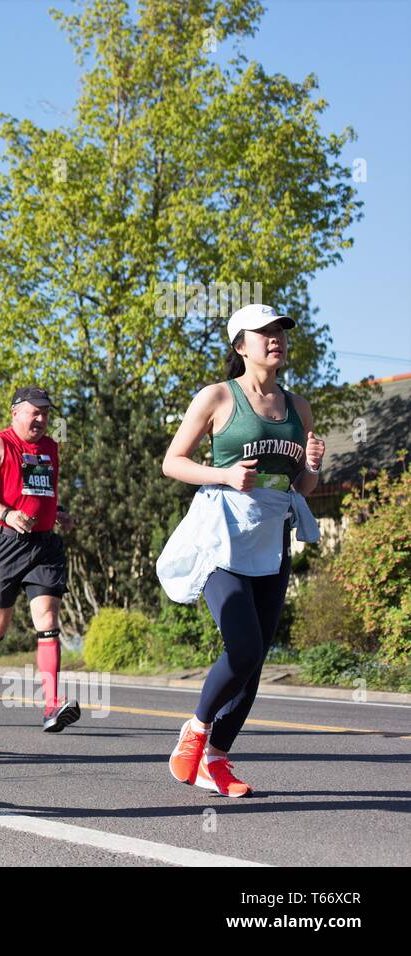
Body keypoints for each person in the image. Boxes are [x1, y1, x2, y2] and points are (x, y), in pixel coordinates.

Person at [158, 304, 324, 798]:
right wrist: (226, 475)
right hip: (221, 535)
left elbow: (305, 487)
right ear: (239, 345)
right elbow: (173, 462)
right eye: (264, 332)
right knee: (244, 647)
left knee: (255, 660)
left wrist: (314, 466)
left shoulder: (300, 407)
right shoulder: (217, 397)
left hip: (271, 539)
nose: (276, 339)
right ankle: (195, 729)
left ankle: (216, 758)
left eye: (280, 332)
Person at [0, 386, 80, 733]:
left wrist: (58, 512)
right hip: (4, 544)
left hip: (43, 547)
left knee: (47, 618)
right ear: (15, 412)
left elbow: (38, 491)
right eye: (34, 411)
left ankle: (52, 705)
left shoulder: (51, 448)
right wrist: (6, 513)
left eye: (46, 412)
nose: (41, 419)